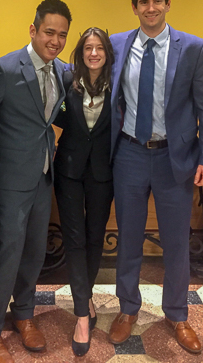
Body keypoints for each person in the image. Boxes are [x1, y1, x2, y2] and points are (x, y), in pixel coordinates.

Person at [108, 0, 203, 354]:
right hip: (130, 154)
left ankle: (177, 313)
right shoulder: (116, 44)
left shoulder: (192, 47)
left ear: (168, 4)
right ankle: (127, 309)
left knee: (175, 243)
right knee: (128, 239)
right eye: (143, 2)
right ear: (135, 6)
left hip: (176, 157)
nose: (150, 8)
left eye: (157, 1)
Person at [0, 0, 72, 363]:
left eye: (62, 35)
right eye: (49, 32)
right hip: (9, 181)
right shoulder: (3, 68)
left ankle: (24, 314)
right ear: (33, 30)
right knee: (6, 255)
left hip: (43, 177)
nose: (56, 40)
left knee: (34, 253)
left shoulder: (63, 71)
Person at [53, 27, 114, 357]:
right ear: (80, 53)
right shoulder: (66, 82)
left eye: (99, 48)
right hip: (69, 171)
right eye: (88, 48)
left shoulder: (118, 86)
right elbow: (55, 116)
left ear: (107, 52)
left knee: (95, 237)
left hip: (105, 172)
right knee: (74, 239)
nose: (93, 53)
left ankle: (85, 294)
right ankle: (81, 315)